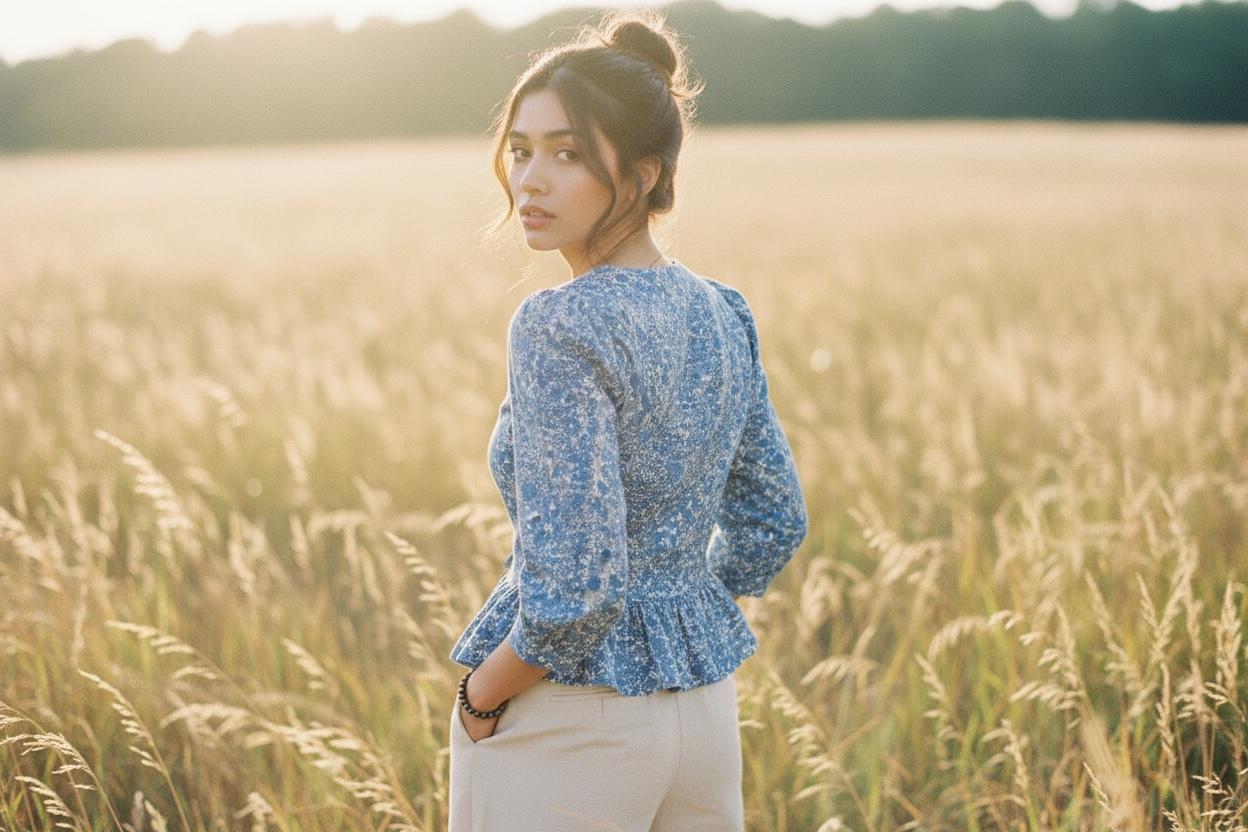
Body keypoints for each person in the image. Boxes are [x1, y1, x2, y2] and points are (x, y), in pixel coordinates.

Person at [446, 9, 808, 831]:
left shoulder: (557, 324)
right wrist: (676, 601)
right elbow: (774, 524)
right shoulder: (724, 311)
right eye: (521, 149)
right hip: (704, 714)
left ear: (643, 176)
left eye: (567, 153)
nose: (529, 181)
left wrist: (479, 694)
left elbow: (576, 592)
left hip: (570, 722)